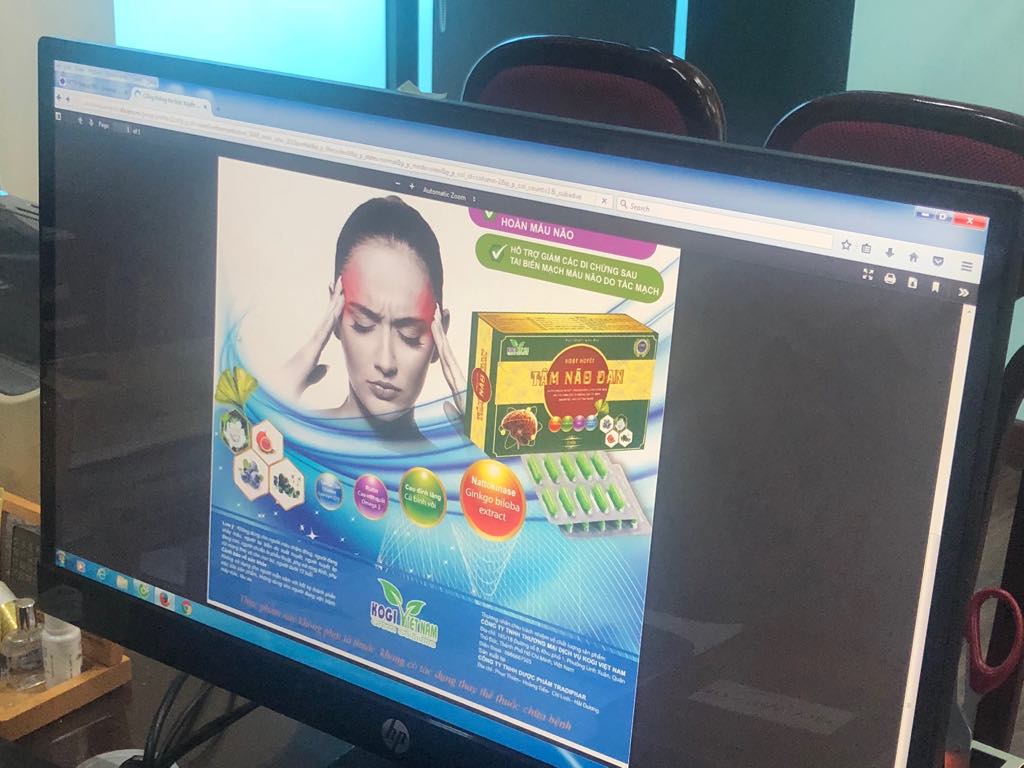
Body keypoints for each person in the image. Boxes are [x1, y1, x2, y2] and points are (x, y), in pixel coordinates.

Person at [281, 196, 464, 442]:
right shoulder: (287, 436)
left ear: (440, 334)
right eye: (362, 325)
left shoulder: (461, 465)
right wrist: (267, 406)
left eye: (410, 335)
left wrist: (490, 457)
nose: (386, 363)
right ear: (335, 315)